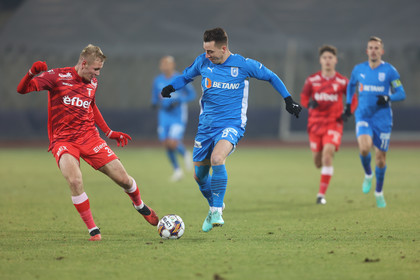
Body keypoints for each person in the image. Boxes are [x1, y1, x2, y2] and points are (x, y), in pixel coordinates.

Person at [160, 27, 302, 232]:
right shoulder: (202, 62)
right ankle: (214, 205)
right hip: (206, 126)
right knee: (199, 176)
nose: (207, 55)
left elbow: (271, 76)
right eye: (205, 51)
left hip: (231, 124)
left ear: (224, 48)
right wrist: (171, 88)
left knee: (218, 159)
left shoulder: (243, 65)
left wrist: (288, 99)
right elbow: (185, 77)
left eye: (211, 52)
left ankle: (217, 210)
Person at [16, 44, 159, 241]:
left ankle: (140, 205)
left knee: (123, 179)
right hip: (63, 140)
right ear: (84, 64)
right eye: (96, 69)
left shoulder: (92, 83)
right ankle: (93, 230)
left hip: (89, 137)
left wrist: (109, 132)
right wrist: (31, 72)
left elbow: (92, 106)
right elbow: (22, 89)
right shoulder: (57, 77)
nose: (98, 75)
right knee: (75, 180)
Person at [343, 36, 406, 208]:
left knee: (380, 158)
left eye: (376, 48)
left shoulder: (390, 71)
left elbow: (401, 93)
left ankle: (379, 192)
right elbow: (350, 86)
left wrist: (388, 97)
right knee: (364, 148)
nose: (373, 50)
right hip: (363, 116)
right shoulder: (358, 70)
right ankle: (368, 174)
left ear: (381, 51)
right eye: (370, 47)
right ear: (366, 51)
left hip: (383, 119)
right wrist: (349, 104)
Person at [300, 45, 357, 205]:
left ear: (335, 60)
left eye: (330, 58)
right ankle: (324, 165)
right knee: (318, 161)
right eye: (325, 58)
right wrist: (309, 103)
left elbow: (353, 99)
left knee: (327, 155)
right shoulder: (312, 80)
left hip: (333, 124)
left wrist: (348, 111)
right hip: (315, 125)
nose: (327, 60)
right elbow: (304, 98)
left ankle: (321, 195)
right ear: (320, 60)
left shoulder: (342, 81)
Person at [151, 56, 196, 181]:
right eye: (162, 64)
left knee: (173, 142)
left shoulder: (179, 79)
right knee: (166, 143)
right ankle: (177, 170)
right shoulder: (158, 80)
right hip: (164, 115)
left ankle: (185, 153)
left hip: (177, 116)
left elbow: (192, 94)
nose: (164, 66)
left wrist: (179, 100)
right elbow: (155, 96)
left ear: (173, 65)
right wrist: (154, 103)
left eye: (167, 64)